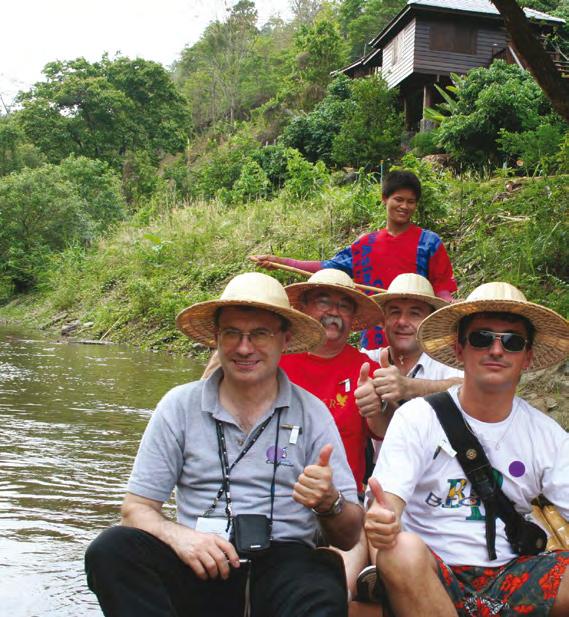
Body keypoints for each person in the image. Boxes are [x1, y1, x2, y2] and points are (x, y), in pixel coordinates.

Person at [85, 272, 364, 617]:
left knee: (322, 582)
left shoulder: (313, 413)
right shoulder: (179, 406)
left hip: (285, 562)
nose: (244, 348)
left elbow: (349, 537)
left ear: (283, 338)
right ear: (216, 338)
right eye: (232, 333)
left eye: (259, 333)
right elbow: (136, 508)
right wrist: (179, 537)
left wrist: (328, 502)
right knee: (111, 550)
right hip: (201, 559)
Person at [365, 281, 569, 616]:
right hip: (432, 571)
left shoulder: (545, 434)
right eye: (481, 338)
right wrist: (384, 519)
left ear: (528, 356)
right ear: (460, 349)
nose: (496, 350)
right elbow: (390, 503)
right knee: (399, 550)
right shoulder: (417, 418)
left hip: (512, 573)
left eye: (513, 342)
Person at [250, 170, 457, 350]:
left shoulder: (429, 242)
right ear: (384, 198)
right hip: (374, 340)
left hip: (417, 338)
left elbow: (441, 288)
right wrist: (280, 260)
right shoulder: (365, 245)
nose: (404, 206)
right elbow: (326, 268)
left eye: (411, 202)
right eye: (398, 199)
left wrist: (451, 308)